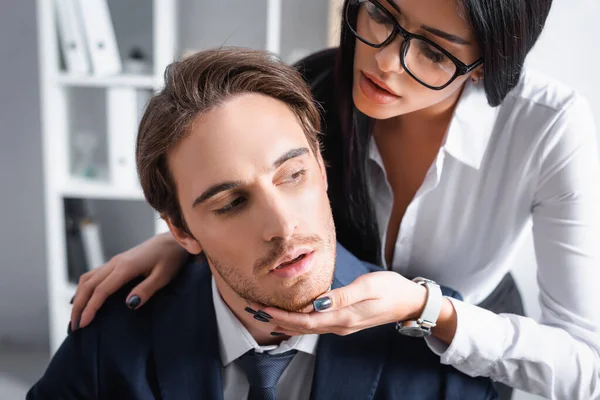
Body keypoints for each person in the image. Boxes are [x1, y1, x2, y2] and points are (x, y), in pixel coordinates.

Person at [70, 1, 600, 399]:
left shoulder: (548, 128)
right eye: (380, 14)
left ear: (485, 63)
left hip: (461, 341)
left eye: (435, 51)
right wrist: (185, 238)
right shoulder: (310, 86)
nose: (386, 62)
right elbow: (241, 179)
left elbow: (586, 368)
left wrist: (427, 310)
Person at [28, 48, 497, 400]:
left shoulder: (437, 347)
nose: (283, 224)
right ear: (181, 230)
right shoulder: (109, 340)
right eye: (231, 203)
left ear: (322, 164)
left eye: (293, 175)